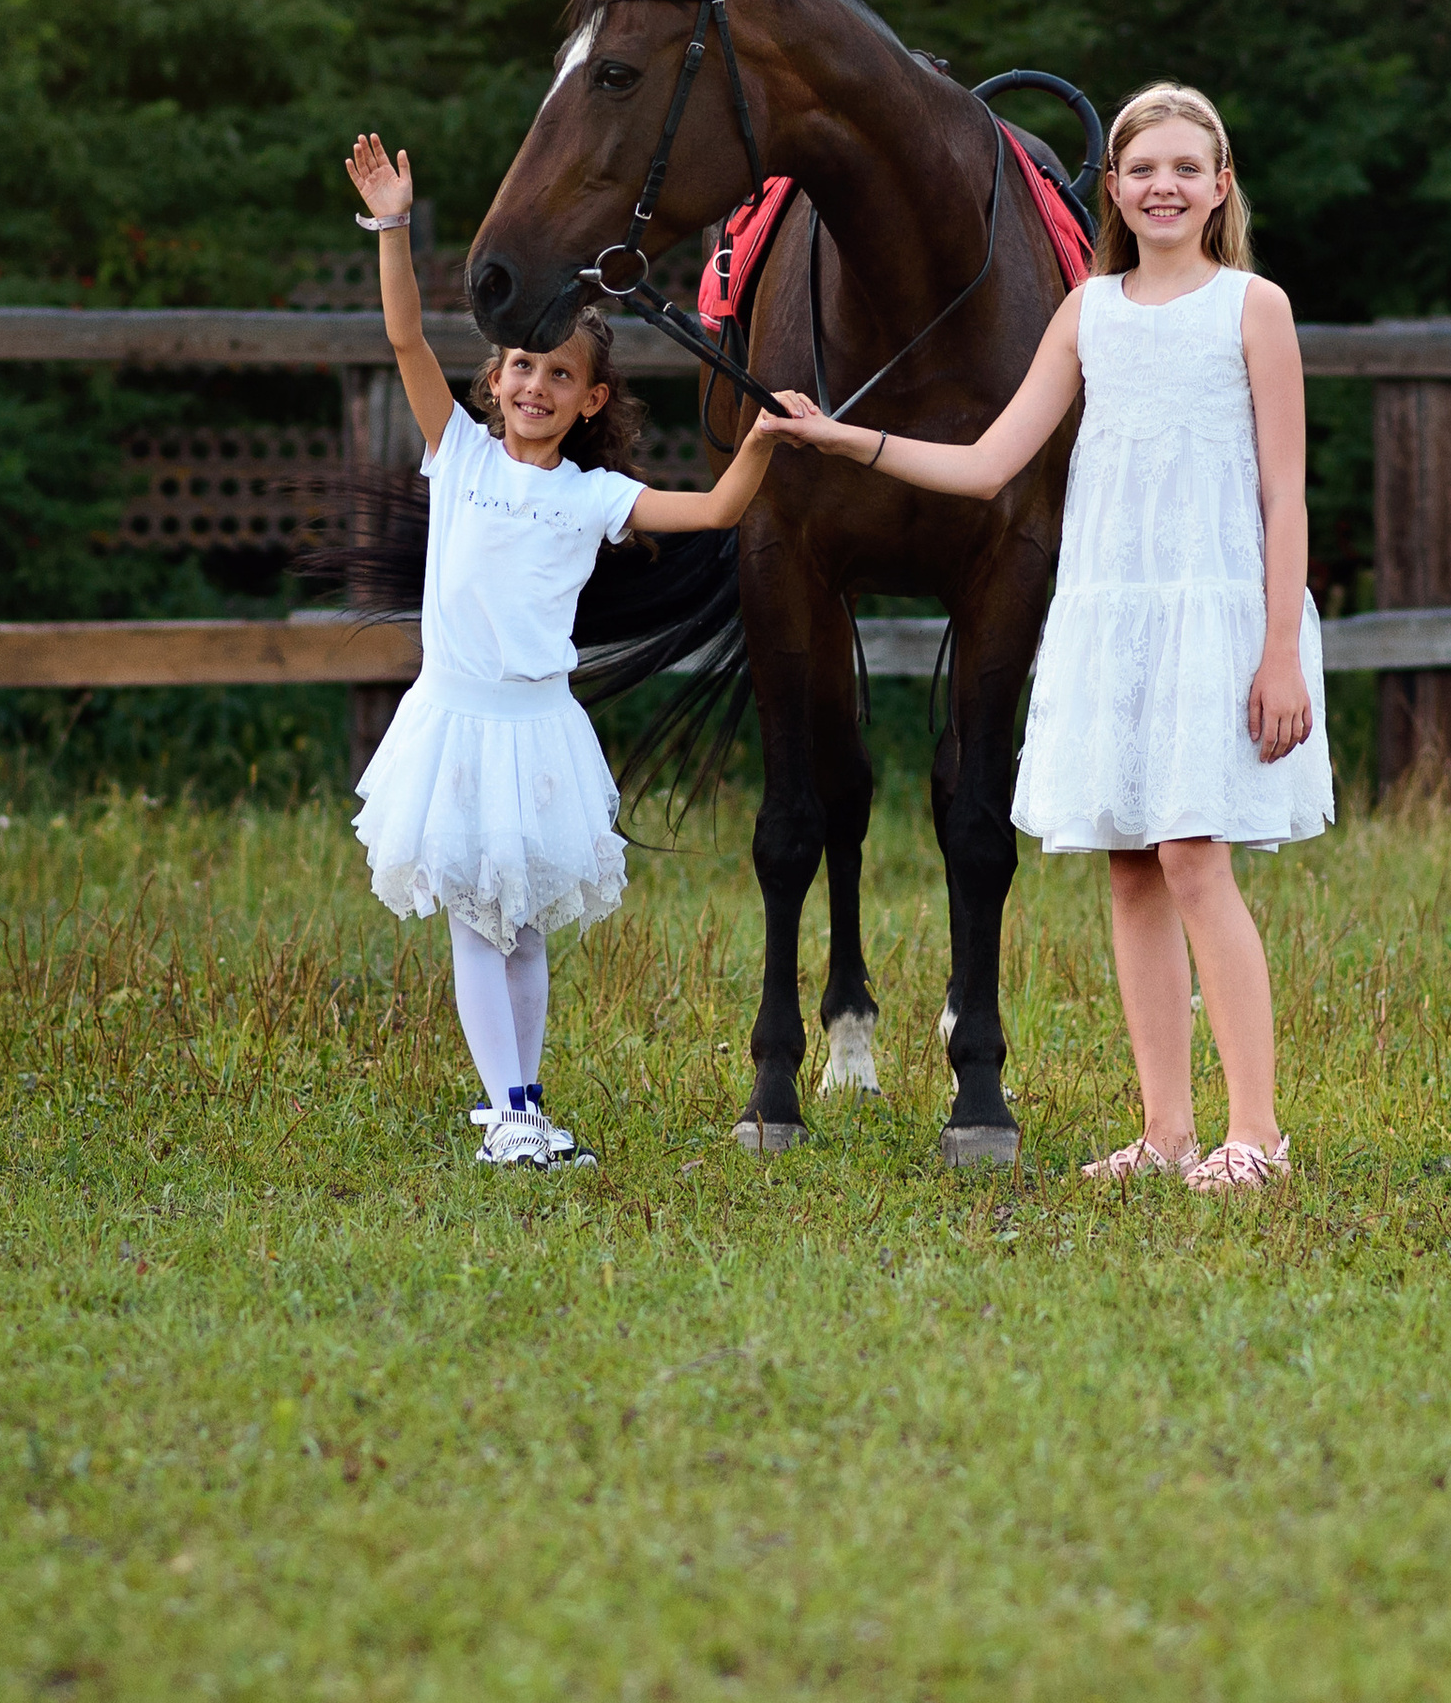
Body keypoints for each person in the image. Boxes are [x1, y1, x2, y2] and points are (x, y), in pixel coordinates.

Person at [756, 82, 1333, 1187]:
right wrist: (844, 440)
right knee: (1129, 866)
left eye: (1186, 168)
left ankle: (1254, 1132)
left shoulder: (1252, 307)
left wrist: (1275, 650)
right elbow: (986, 463)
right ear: (1111, 188)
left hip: (1213, 609)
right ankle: (1166, 1130)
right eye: (1142, 169)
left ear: (1220, 188)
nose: (1163, 186)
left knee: (1194, 857)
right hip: (1110, 610)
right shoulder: (1087, 311)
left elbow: (1286, 493)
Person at [345, 131, 802, 1170]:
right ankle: (506, 1113)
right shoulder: (456, 457)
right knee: (474, 912)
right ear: (494, 380)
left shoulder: (591, 496)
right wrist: (392, 225)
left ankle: (528, 1100)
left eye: (560, 375)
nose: (535, 387)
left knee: (525, 926)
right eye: (520, 368)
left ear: (592, 398)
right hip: (456, 721)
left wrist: (772, 433)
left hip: (538, 728)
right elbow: (407, 339)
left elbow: (724, 502)